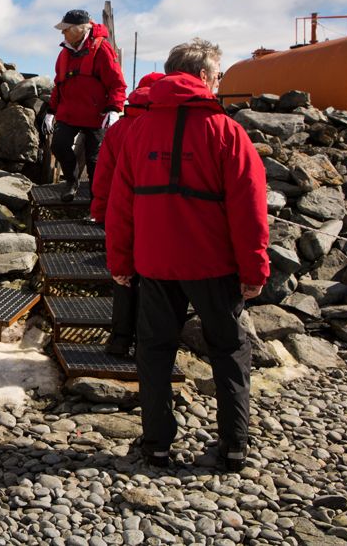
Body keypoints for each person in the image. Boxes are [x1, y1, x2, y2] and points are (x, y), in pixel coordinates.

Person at [105, 39, 269, 471]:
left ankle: (156, 446)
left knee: (154, 352)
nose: (218, 83)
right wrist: (254, 269)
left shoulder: (138, 130)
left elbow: (120, 205)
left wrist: (120, 261)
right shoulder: (227, 131)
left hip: (155, 265)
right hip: (212, 265)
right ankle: (233, 447)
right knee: (229, 351)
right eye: (217, 77)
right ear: (202, 77)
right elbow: (250, 207)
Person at [91, 72, 163, 357]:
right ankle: (147, 344)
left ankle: (120, 339)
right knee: (154, 283)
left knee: (123, 277)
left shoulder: (119, 128)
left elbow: (103, 174)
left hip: (119, 212)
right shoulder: (165, 127)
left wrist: (99, 210)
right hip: (155, 216)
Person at [44, 9, 127, 201]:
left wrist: (114, 109)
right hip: (69, 113)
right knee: (59, 145)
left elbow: (117, 84)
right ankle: (71, 182)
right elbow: (59, 84)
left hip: (97, 115)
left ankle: (96, 200)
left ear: (79, 29)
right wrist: (51, 111)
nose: (62, 33)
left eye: (66, 29)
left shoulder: (103, 49)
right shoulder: (64, 53)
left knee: (94, 160)